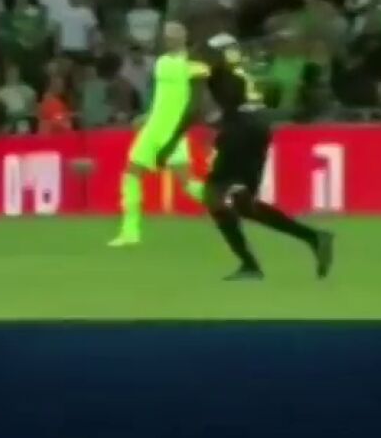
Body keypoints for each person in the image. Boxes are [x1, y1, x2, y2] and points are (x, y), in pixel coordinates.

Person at [164, 33, 333, 280]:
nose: (199, 55)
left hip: (239, 130)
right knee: (245, 205)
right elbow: (245, 101)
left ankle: (250, 265)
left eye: (205, 51)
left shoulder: (207, 70)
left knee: (214, 195)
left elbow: (193, 110)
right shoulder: (242, 70)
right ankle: (314, 237)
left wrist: (169, 144)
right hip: (259, 129)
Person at [107, 21, 206, 247]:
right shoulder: (160, 62)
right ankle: (130, 232)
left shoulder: (194, 64)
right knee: (131, 173)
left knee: (187, 183)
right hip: (153, 127)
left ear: (184, 36)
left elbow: (197, 98)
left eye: (174, 33)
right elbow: (160, 96)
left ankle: (226, 204)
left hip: (174, 130)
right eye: (167, 34)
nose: (170, 37)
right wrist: (147, 115)